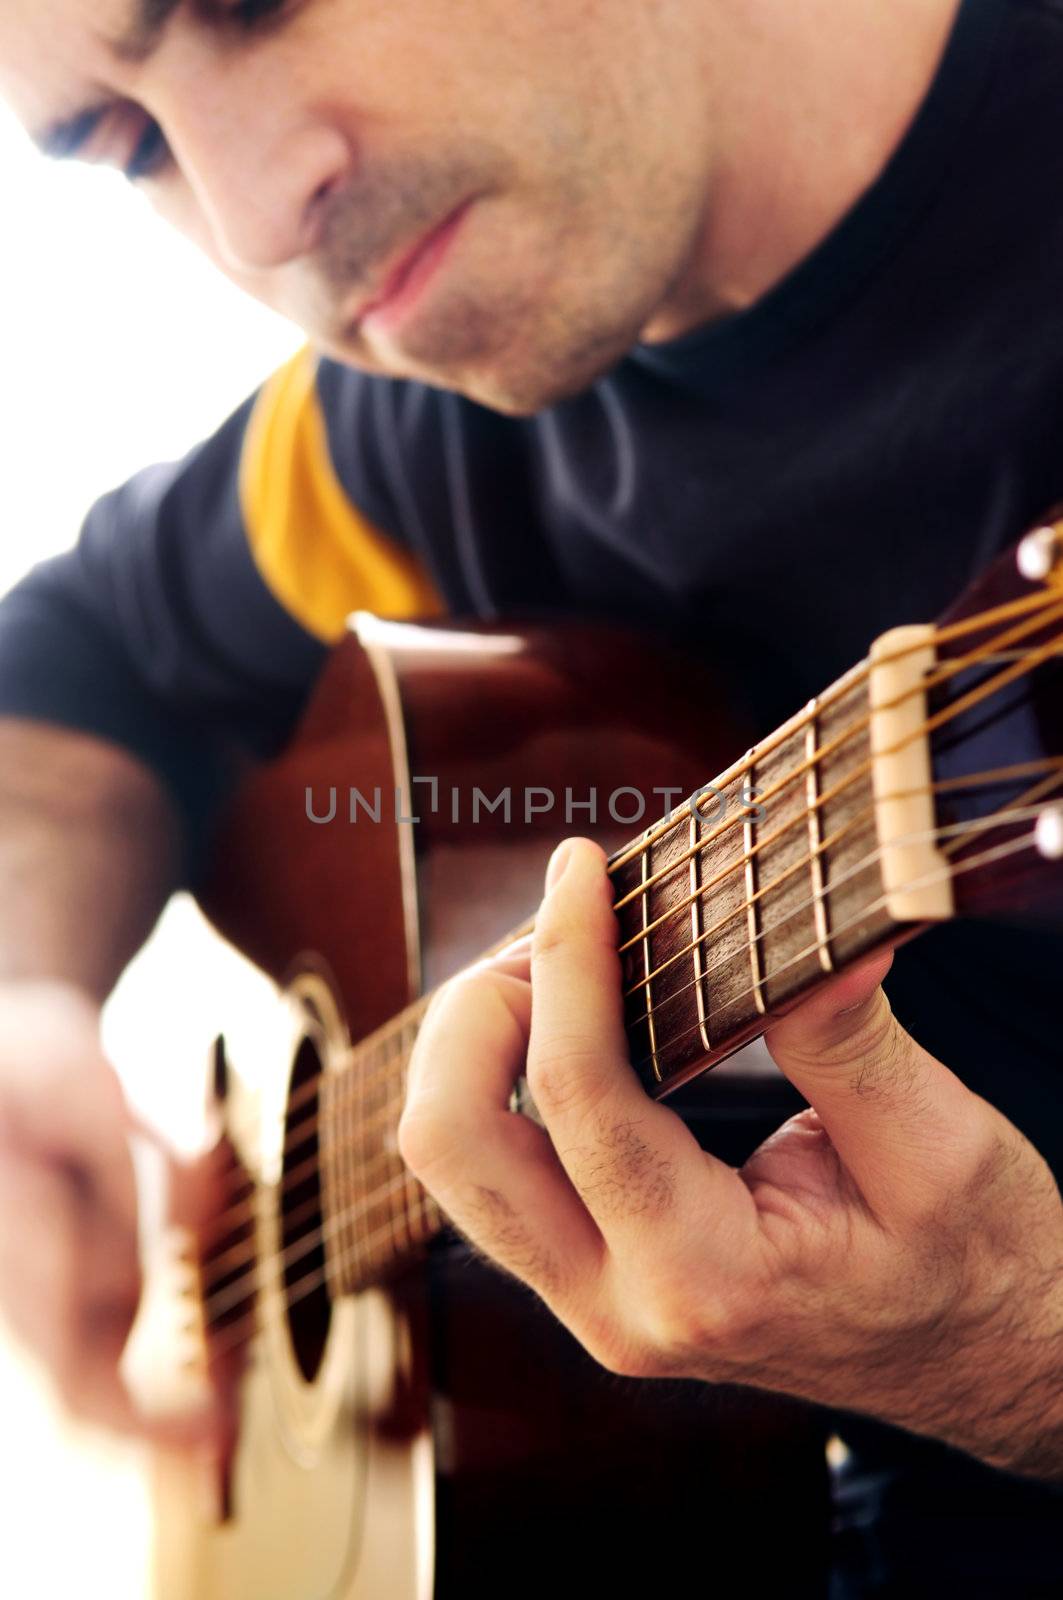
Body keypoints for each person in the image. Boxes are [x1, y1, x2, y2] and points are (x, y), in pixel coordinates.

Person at [0, 0, 1060, 1591]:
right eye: (128, 146)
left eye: (253, 3)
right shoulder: (401, 433)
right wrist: (22, 1006)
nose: (251, 213)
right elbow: (72, 672)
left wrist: (1026, 1364)